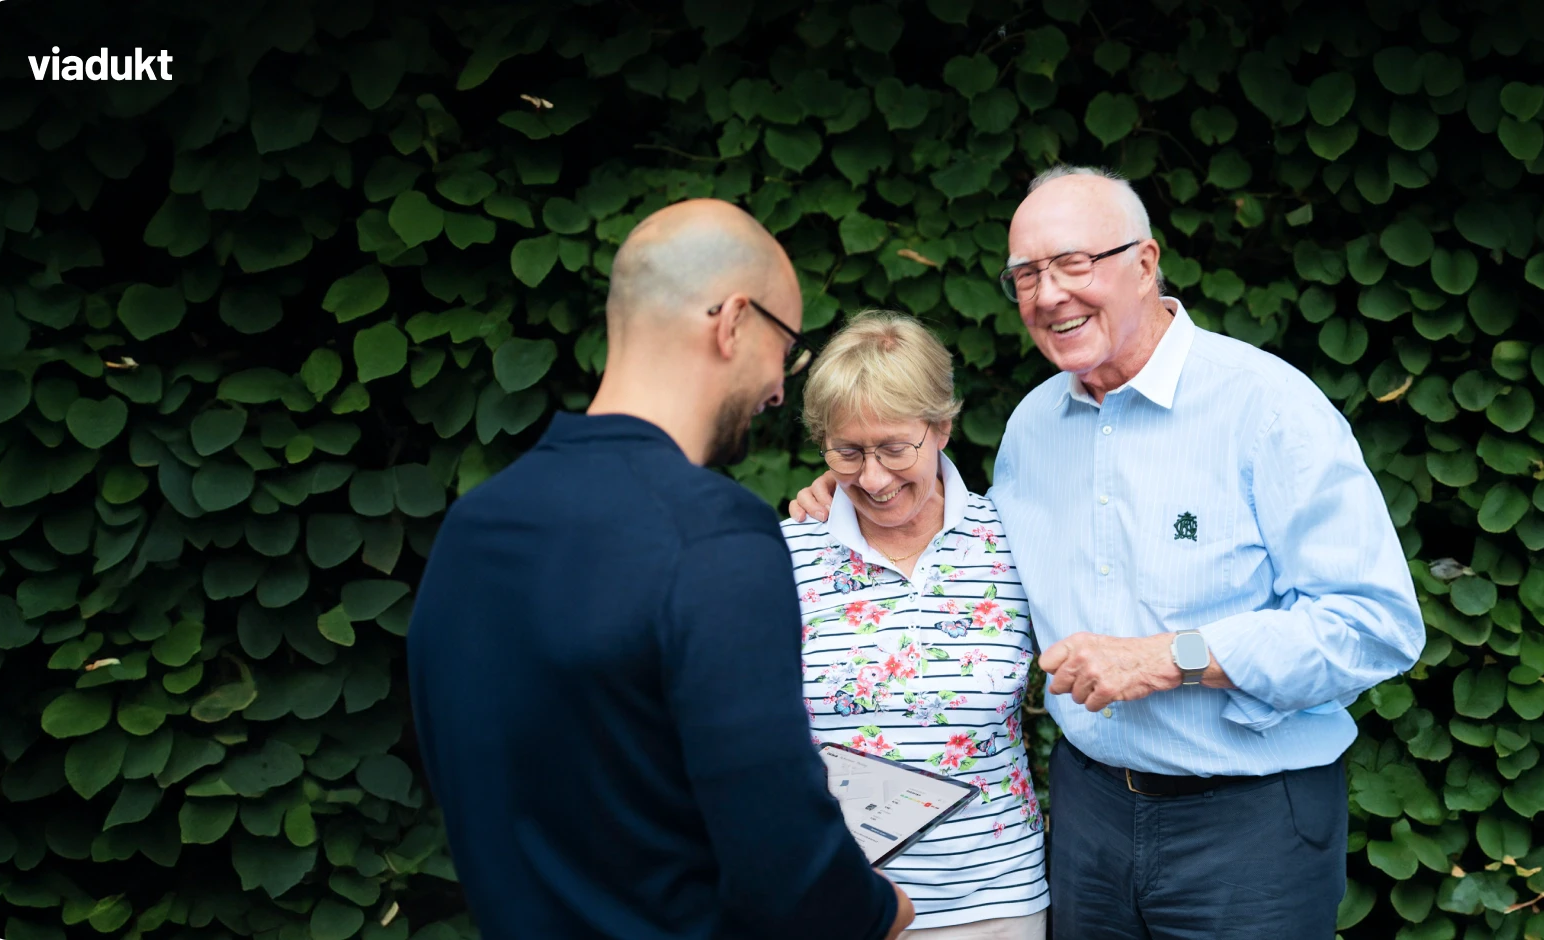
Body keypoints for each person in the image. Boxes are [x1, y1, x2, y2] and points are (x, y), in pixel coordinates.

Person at [791, 167, 1425, 938]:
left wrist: (1170, 658)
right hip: (1087, 821)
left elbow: (1374, 625)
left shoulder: (1267, 408)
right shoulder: (1033, 429)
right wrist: (856, 486)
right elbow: (959, 550)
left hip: (1248, 826)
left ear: (1146, 262)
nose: (1048, 294)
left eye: (1073, 263)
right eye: (1027, 275)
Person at [406, 198, 914, 940]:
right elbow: (783, 858)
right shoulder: (713, 535)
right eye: (786, 348)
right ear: (732, 322)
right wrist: (875, 911)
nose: (780, 388)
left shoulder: (473, 528)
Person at [783, 311, 1049, 939]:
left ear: (942, 428)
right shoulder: (785, 554)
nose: (873, 478)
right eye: (848, 452)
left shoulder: (1014, 540)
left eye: (895, 448)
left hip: (993, 901)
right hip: (835, 903)